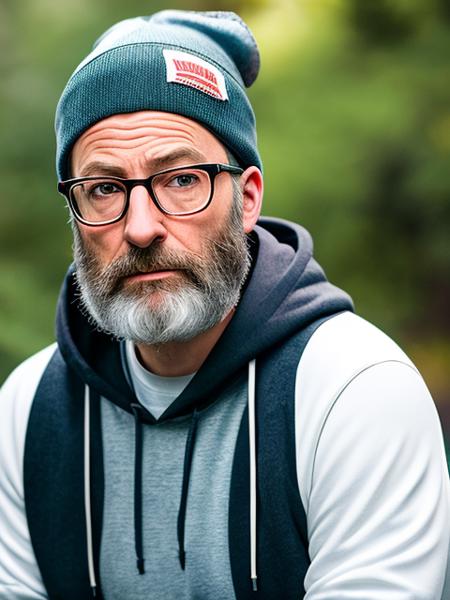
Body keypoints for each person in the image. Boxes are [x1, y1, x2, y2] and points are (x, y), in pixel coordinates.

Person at [0, 9, 449, 600]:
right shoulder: (27, 413)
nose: (140, 227)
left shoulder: (354, 390)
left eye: (181, 179)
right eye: (105, 188)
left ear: (247, 199)